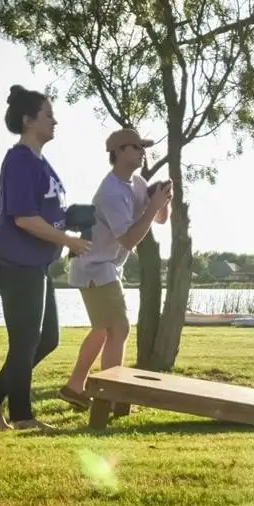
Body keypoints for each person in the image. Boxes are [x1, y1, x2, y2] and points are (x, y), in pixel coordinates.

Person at [0, 84, 92, 431]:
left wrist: (70, 218)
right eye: (48, 115)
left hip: (36, 266)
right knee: (25, 343)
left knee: (46, 339)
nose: (55, 121)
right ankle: (22, 417)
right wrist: (67, 240)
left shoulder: (42, 163)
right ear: (28, 120)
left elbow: (46, 211)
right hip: (15, 264)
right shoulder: (19, 160)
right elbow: (23, 218)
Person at [58, 128, 173, 409]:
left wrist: (162, 199)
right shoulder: (111, 191)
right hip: (94, 266)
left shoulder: (137, 183)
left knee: (103, 329)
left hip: (104, 266)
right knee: (119, 328)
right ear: (119, 152)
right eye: (136, 147)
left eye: (143, 147)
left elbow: (159, 219)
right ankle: (110, 397)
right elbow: (129, 240)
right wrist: (152, 207)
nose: (142, 152)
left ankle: (75, 387)